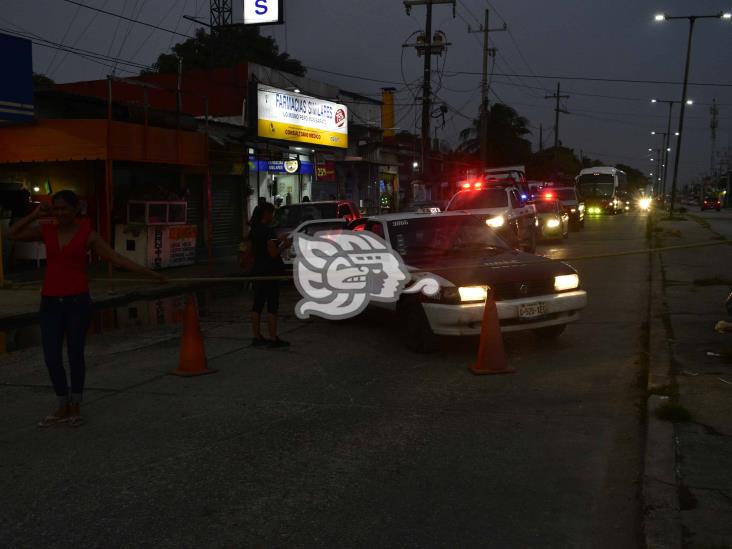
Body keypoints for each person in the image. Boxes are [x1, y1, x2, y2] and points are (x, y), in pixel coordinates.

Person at [8, 190, 167, 427]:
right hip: (50, 303)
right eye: (57, 208)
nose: (61, 213)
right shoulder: (46, 230)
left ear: (76, 211)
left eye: (66, 209)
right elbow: (11, 234)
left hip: (77, 303)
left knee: (74, 355)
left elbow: (117, 259)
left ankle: (75, 405)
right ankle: (62, 403)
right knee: (51, 357)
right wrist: (34, 214)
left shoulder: (88, 235)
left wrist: (152, 274)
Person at [249, 202, 289, 348]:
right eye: (271, 213)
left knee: (257, 305)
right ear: (266, 214)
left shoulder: (254, 230)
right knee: (272, 305)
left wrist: (278, 240)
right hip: (270, 272)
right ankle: (273, 338)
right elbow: (272, 253)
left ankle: (257, 336)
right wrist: (284, 245)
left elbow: (255, 249)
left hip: (258, 270)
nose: (273, 216)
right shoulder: (267, 231)